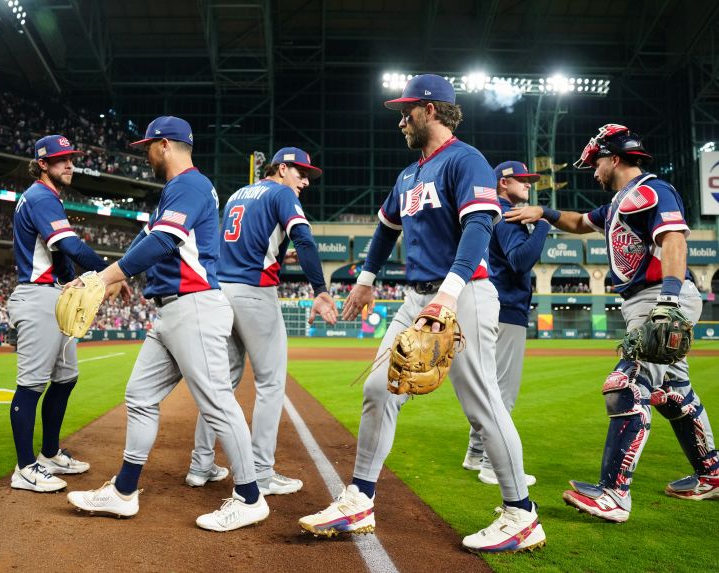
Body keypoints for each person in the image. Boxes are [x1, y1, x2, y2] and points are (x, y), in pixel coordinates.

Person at [298, 75, 546, 554]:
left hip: (465, 294)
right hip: (416, 297)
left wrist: (448, 296)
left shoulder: (465, 159)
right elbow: (385, 229)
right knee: (377, 387)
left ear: (431, 109)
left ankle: (521, 514)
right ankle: (360, 500)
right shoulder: (410, 174)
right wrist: (367, 278)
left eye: (407, 109)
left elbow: (478, 227)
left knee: (482, 405)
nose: (400, 118)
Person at [66, 116, 269, 532]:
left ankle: (250, 498)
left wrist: (103, 278)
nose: (146, 156)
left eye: (148, 148)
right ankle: (123, 492)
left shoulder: (190, 185)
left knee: (216, 403)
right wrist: (108, 276)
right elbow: (146, 240)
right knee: (139, 395)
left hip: (194, 306)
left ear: (165, 145)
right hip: (171, 311)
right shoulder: (174, 192)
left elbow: (161, 243)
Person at [507, 124, 719, 520]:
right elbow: (579, 222)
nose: (594, 170)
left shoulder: (650, 190)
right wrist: (544, 212)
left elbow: (674, 240)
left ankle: (614, 494)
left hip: (660, 298)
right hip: (645, 300)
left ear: (615, 158)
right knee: (675, 392)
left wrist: (668, 301)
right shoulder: (621, 201)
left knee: (626, 385)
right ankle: (712, 473)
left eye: (597, 162)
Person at [185, 147, 338, 494]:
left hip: (222, 290)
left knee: (219, 383)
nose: (305, 182)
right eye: (301, 173)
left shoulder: (239, 193)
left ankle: (201, 464)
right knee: (270, 385)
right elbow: (304, 238)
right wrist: (320, 289)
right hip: (255, 291)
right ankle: (262, 473)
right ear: (282, 169)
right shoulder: (281, 193)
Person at [7, 134, 129, 493]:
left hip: (55, 294)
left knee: (66, 378)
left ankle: (48, 453)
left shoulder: (47, 198)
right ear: (42, 164)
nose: (69, 164)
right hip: (37, 297)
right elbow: (69, 245)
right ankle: (25, 467)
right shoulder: (42, 196)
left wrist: (74, 279)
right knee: (30, 385)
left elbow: (59, 255)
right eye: (60, 159)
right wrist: (112, 271)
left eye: (71, 158)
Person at [462, 161, 550, 486]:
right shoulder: (508, 214)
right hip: (506, 307)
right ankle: (490, 464)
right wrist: (542, 225)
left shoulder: (489, 212)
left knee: (488, 384)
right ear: (503, 183)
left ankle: (474, 454)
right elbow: (520, 260)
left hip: (490, 305)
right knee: (502, 391)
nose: (528, 185)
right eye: (522, 180)